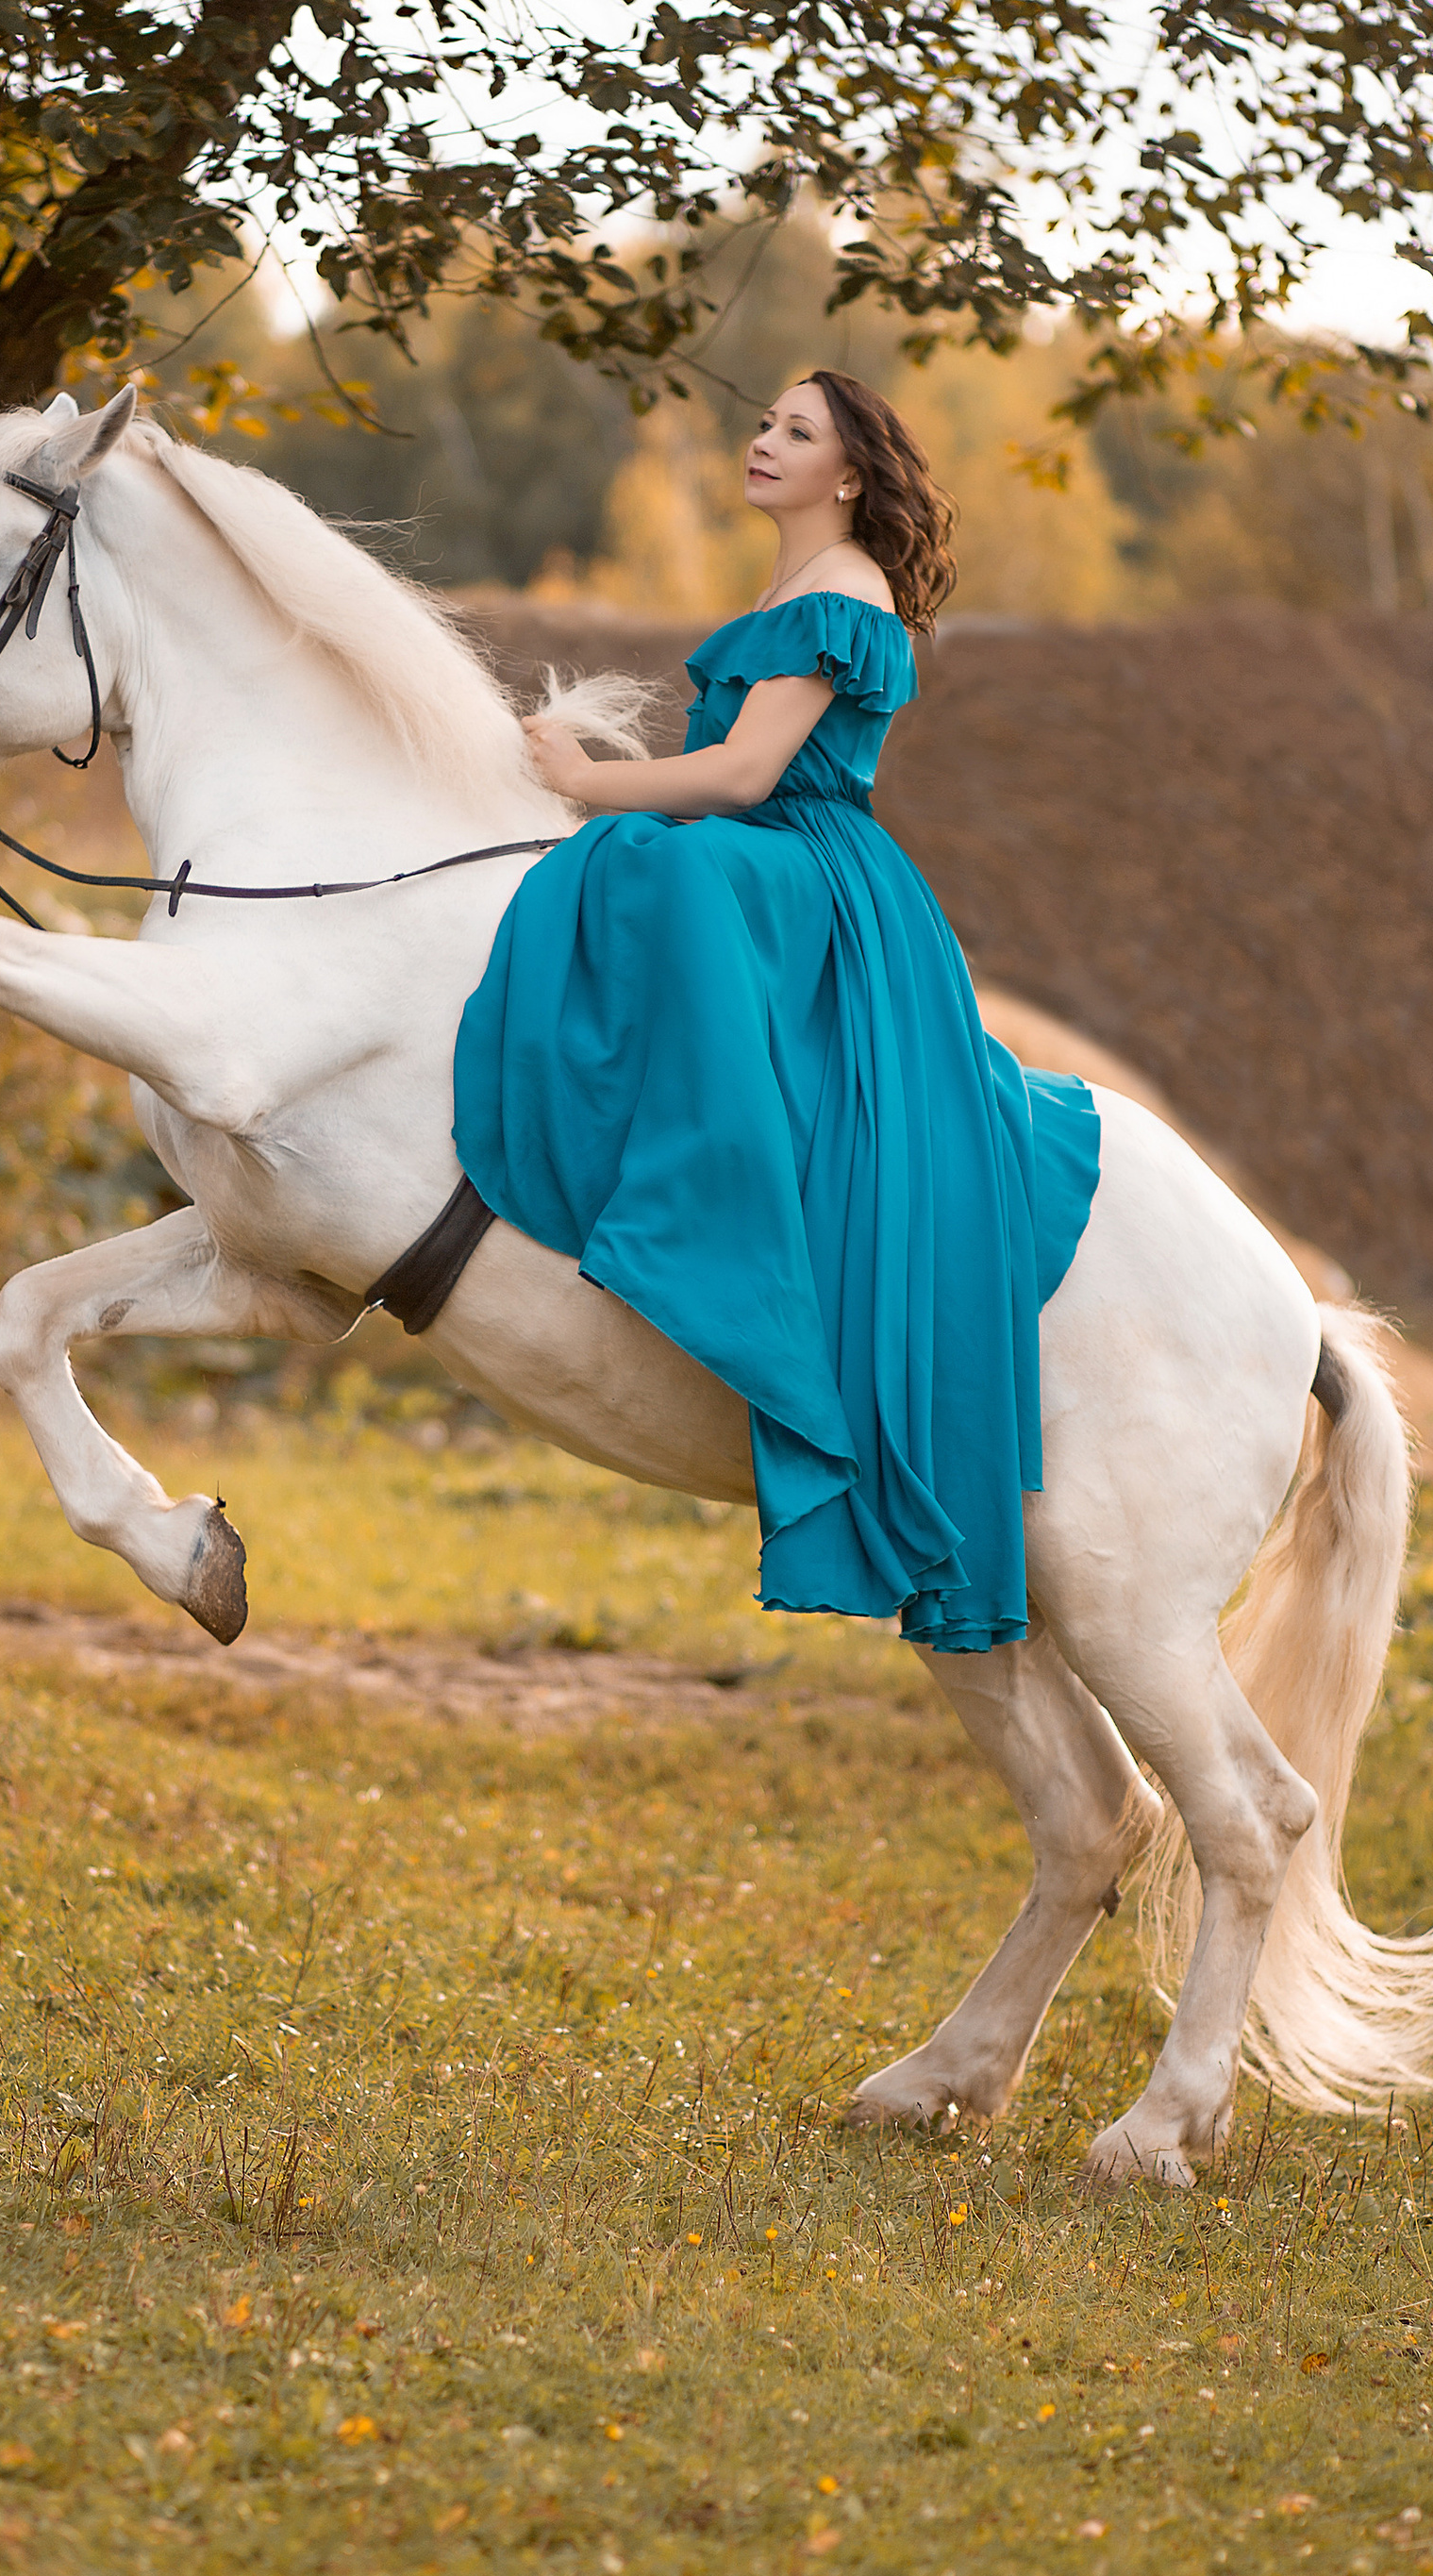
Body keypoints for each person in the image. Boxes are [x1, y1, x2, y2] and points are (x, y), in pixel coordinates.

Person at [452, 369, 1100, 1651]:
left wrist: (591, 779)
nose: (764, 443)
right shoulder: (788, 592)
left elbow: (747, 773)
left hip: (806, 866)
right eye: (765, 424)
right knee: (641, 863)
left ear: (851, 476)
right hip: (775, 857)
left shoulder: (846, 591)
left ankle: (687, 1190)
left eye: (796, 433)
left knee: (642, 861)